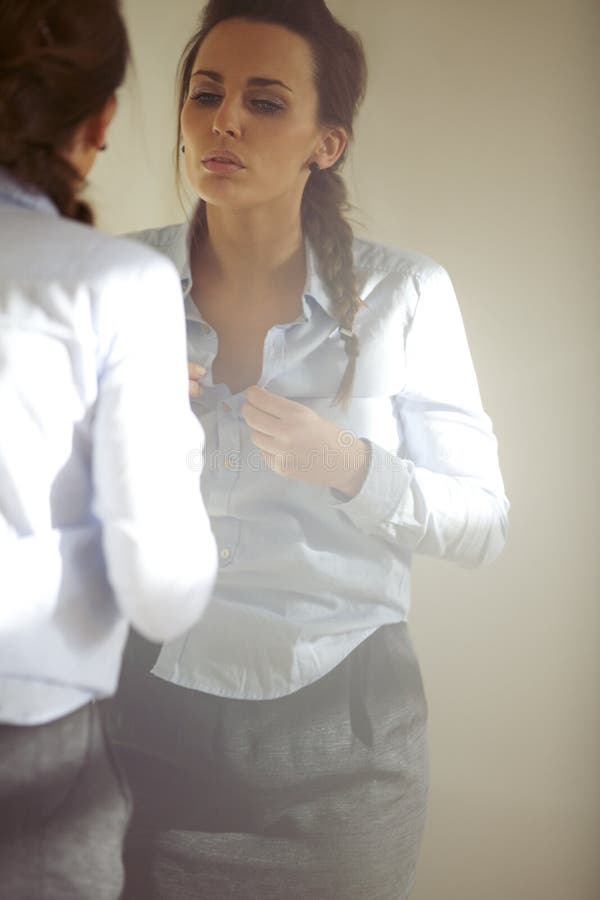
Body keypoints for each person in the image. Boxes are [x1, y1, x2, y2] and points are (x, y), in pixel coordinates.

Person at [109, 1, 509, 897]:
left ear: (325, 143)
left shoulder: (406, 294)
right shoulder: (115, 287)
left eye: (265, 100)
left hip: (344, 743)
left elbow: (484, 524)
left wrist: (351, 467)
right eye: (206, 93)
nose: (225, 119)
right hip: (137, 719)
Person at [0, 2, 218, 898]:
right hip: (34, 749)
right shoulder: (121, 283)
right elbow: (161, 593)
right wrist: (183, 446)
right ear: (101, 120)